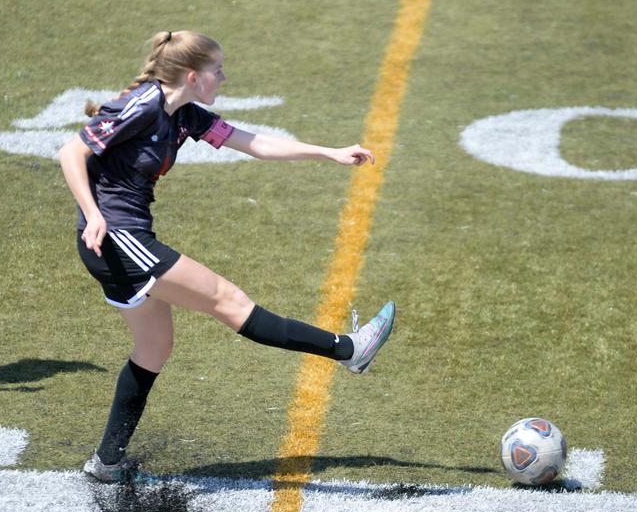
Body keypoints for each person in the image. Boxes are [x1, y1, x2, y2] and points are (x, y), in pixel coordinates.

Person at [58, 30, 396, 483]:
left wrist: (328, 153)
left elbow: (254, 142)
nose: (225, 77)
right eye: (218, 70)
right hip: (116, 238)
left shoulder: (186, 116)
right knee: (228, 300)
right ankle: (348, 350)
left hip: (118, 241)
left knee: (154, 350)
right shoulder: (144, 105)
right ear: (194, 76)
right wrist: (92, 213)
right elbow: (71, 151)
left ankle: (107, 462)